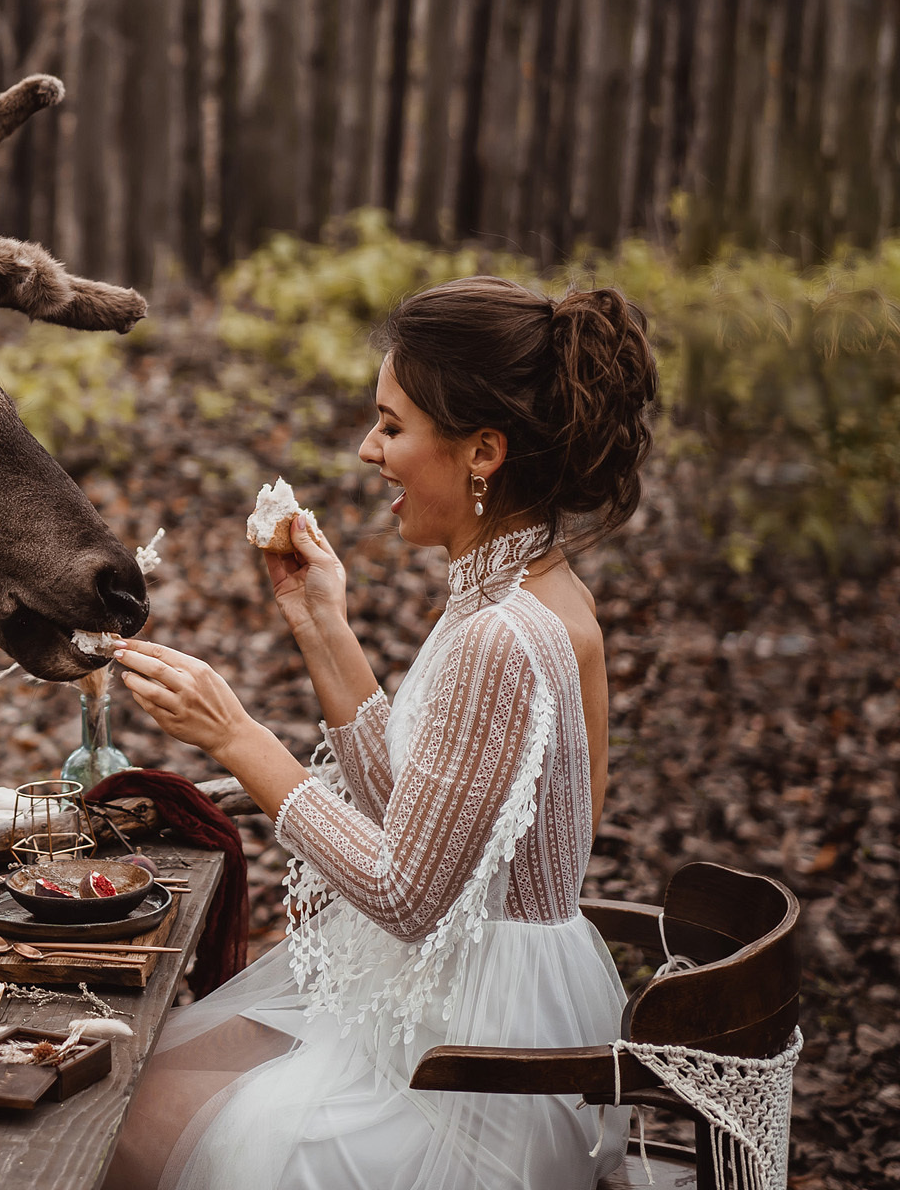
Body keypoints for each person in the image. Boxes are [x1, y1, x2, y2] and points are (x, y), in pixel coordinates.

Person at [103, 276, 659, 1190]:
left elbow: (405, 892)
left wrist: (238, 736)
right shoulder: (532, 594)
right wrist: (322, 624)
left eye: (393, 426)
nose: (369, 450)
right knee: (146, 1082)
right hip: (477, 1012)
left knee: (128, 1126)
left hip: (474, 1074)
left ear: (483, 452)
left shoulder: (500, 637)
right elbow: (423, 820)